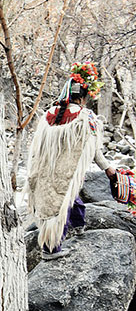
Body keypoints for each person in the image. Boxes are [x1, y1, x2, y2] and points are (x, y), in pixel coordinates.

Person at [27, 61, 114, 259]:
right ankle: (51, 249)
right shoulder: (85, 117)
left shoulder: (49, 114)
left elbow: (37, 147)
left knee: (64, 202)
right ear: (83, 97)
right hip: (65, 171)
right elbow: (93, 149)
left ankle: (78, 227)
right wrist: (108, 169)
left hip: (46, 170)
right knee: (64, 203)